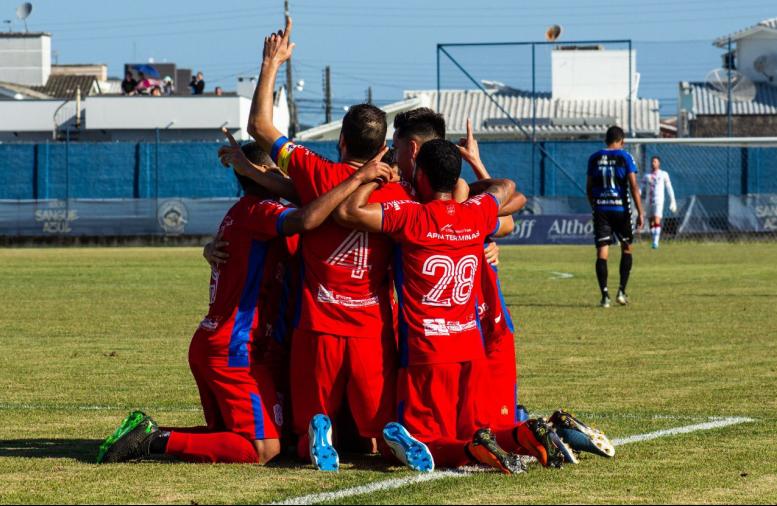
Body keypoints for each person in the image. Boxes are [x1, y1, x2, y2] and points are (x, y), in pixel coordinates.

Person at [95, 135, 394, 466]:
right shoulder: (262, 211)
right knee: (263, 449)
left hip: (224, 345)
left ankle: (148, 432)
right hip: (235, 351)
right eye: (282, 170)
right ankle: (156, 441)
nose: (291, 177)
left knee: (233, 433)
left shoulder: (243, 213)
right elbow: (308, 218)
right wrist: (358, 178)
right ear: (263, 171)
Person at [246, 18, 415, 471]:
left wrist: (271, 64)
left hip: (317, 321)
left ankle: (318, 428)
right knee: (375, 435)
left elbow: (260, 125)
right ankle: (390, 433)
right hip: (372, 328)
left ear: (341, 140)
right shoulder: (398, 195)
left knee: (307, 432)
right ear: (383, 149)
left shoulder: (316, 172)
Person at [335, 139, 534, 473]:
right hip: (470, 350)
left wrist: (367, 178)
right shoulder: (476, 212)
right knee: (468, 429)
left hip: (426, 352)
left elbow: (348, 212)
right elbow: (508, 187)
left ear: (422, 175)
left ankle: (474, 450)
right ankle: (529, 433)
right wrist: (471, 181)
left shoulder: (412, 216)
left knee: (416, 443)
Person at [586, 126, 645, 308]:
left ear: (606, 139)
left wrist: (595, 206)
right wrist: (640, 211)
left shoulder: (594, 158)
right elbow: (633, 186)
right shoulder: (625, 156)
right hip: (621, 209)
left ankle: (604, 295)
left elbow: (589, 187)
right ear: (622, 141)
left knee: (602, 251)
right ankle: (621, 291)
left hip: (602, 209)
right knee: (626, 248)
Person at [641, 156, 677, 249]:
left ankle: (656, 242)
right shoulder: (646, 176)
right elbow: (642, 188)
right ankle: (654, 240)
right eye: (652, 161)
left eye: (655, 161)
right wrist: (637, 194)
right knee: (651, 222)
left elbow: (669, 187)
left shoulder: (663, 174)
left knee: (657, 220)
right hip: (649, 201)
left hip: (659, 200)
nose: (653, 163)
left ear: (659, 163)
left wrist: (672, 200)